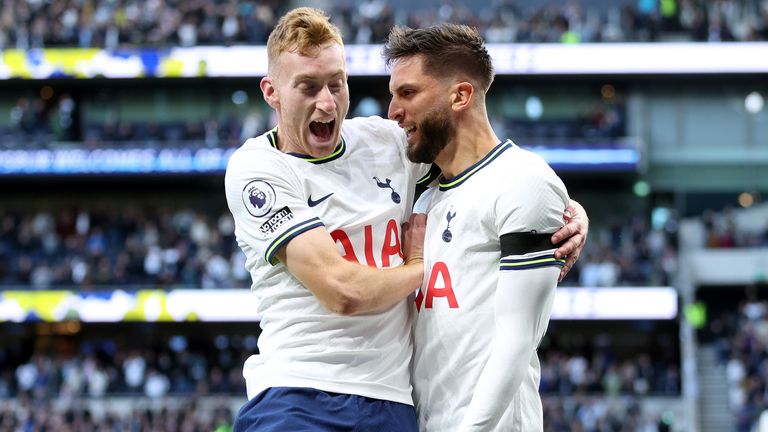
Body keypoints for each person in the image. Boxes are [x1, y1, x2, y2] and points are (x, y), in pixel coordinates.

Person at [224, 7, 588, 431]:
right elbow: (342, 291)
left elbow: (482, 164)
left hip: (393, 402)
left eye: (336, 84)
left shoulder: (386, 144)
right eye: (307, 87)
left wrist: (568, 212)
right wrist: (417, 267)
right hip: (299, 391)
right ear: (271, 92)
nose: (326, 102)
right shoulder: (258, 169)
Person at [384, 24, 575, 431]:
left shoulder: (522, 181)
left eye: (408, 93)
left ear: (460, 95)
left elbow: (516, 341)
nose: (393, 111)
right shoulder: (422, 194)